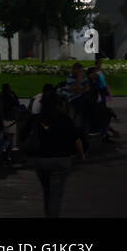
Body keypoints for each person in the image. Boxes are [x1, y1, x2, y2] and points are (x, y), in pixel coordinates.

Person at [26, 90, 85, 218]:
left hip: (41, 160)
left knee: (47, 192)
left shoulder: (36, 119)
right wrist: (81, 155)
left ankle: (48, 214)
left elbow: (22, 136)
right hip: (61, 160)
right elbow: (76, 138)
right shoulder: (64, 119)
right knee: (56, 195)